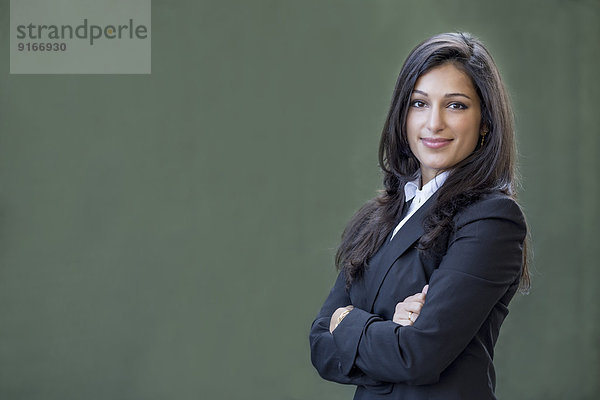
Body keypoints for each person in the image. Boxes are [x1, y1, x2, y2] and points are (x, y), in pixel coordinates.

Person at [309, 32, 530, 400]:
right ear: (402, 114)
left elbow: (417, 355)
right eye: (419, 103)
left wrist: (348, 322)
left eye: (456, 105)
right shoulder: (376, 218)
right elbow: (320, 345)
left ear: (486, 122)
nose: (434, 123)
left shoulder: (492, 220)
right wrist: (388, 328)